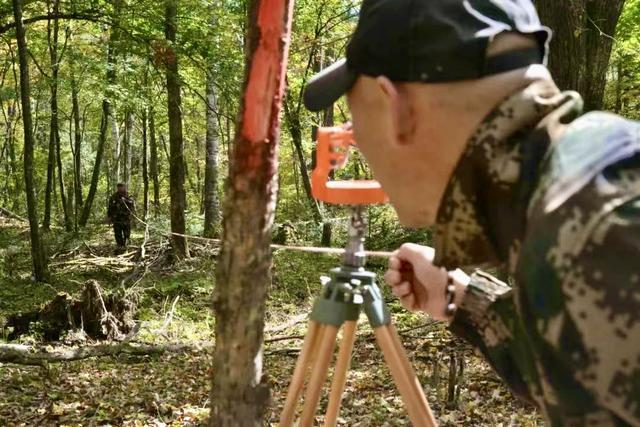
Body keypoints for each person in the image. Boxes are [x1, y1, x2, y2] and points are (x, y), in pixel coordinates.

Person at [303, 0, 640, 425]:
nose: (360, 145)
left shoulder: (598, 226)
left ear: (396, 108)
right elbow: (595, 370)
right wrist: (460, 300)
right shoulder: (571, 206)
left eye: (357, 120)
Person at [107, 183, 135, 252]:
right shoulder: (114, 196)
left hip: (126, 219)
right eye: (118, 188)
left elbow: (132, 203)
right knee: (117, 234)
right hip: (116, 219)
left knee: (127, 234)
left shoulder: (129, 195)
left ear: (124, 187)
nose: (119, 189)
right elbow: (110, 207)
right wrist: (109, 217)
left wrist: (125, 200)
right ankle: (120, 247)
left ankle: (126, 247)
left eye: (121, 187)